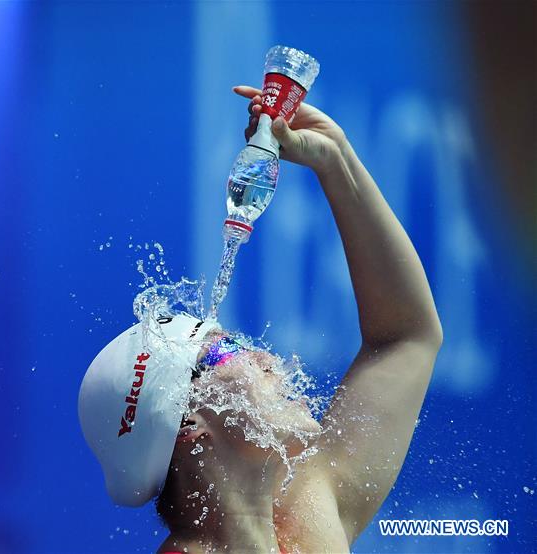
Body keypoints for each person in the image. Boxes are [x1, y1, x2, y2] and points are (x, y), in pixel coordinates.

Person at [78, 85, 443, 554]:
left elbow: (405, 337)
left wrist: (337, 163)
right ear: (189, 423)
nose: (264, 357)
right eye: (226, 350)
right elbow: (405, 339)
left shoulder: (308, 517)